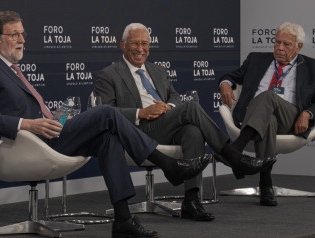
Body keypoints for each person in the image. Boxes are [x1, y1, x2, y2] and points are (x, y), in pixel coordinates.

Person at [0, 11, 211, 238]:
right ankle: (168, 164)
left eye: (22, 34)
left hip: (49, 134)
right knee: (105, 112)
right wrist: (28, 124)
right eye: (14, 35)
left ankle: (123, 219)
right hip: (27, 144)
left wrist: (55, 117)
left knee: (108, 139)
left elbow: (22, 109)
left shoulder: (11, 69)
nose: (21, 39)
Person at [94, 23, 276, 221]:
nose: (140, 49)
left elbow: (175, 97)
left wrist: (168, 108)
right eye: (135, 43)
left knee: (193, 132)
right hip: (136, 132)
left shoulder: (158, 71)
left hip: (164, 125)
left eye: (145, 43)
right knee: (191, 108)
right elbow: (105, 112)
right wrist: (142, 112)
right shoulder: (109, 74)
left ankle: (191, 200)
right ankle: (233, 156)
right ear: (122, 44)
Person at [219, 22, 315, 206]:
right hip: (254, 115)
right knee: (268, 118)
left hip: (291, 118)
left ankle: (235, 150)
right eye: (277, 42)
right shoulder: (256, 59)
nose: (279, 48)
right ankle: (265, 184)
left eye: (286, 44)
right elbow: (230, 77)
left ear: (298, 46)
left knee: (269, 96)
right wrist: (224, 84)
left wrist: (307, 114)